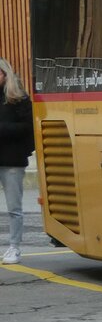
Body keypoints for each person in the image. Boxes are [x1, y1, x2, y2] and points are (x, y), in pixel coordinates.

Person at [0, 58, 34, 265]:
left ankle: (15, 247)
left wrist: (2, 129)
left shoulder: (17, 98)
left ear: (4, 74)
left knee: (14, 207)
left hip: (12, 160)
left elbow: (27, 128)